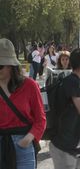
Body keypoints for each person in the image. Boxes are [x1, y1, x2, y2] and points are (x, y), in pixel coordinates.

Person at [0, 38, 46, 169]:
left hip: (23, 144)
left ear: (11, 66)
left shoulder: (29, 85)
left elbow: (40, 120)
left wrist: (27, 139)